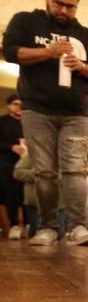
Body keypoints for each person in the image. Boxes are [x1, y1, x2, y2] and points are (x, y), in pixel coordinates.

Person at [2, 0, 88, 246]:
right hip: (37, 110)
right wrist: (49, 52)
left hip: (76, 113)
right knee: (45, 172)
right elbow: (11, 52)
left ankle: (77, 228)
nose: (64, 11)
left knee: (74, 170)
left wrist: (81, 67)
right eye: (58, 4)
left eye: (71, 7)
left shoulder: (85, 35)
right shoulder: (26, 21)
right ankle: (47, 227)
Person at [0, 94, 24, 239]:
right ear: (9, 105)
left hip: (27, 165)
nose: (19, 107)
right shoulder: (2, 121)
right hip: (6, 164)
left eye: (21, 104)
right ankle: (13, 226)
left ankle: (29, 226)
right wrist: (11, 147)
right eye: (15, 104)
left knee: (27, 196)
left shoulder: (29, 122)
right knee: (10, 196)